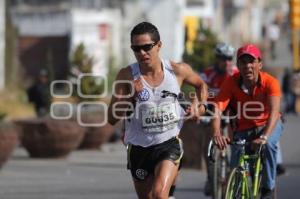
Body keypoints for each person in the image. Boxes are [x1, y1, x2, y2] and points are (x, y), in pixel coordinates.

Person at [107, 22, 208, 199]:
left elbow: (201, 86)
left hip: (168, 143)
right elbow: (111, 118)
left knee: (160, 194)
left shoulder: (177, 70)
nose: (142, 53)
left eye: (147, 47)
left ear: (159, 45)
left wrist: (200, 106)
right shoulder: (126, 75)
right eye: (136, 49)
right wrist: (130, 96)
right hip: (139, 146)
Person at [211, 44, 283, 199]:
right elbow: (217, 108)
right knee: (236, 161)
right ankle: (236, 189)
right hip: (244, 127)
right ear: (238, 66)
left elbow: (274, 112)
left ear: (260, 64)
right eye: (243, 62)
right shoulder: (231, 82)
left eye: (251, 62)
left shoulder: (271, 83)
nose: (247, 66)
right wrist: (216, 132)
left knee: (269, 145)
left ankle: (268, 188)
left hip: (268, 124)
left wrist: (264, 137)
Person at [199, 42, 238, 196]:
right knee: (207, 140)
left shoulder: (236, 73)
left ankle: (235, 170)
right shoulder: (207, 74)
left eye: (229, 58)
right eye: (223, 58)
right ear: (217, 59)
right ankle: (210, 176)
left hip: (231, 111)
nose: (227, 62)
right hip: (211, 110)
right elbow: (200, 94)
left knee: (235, 139)